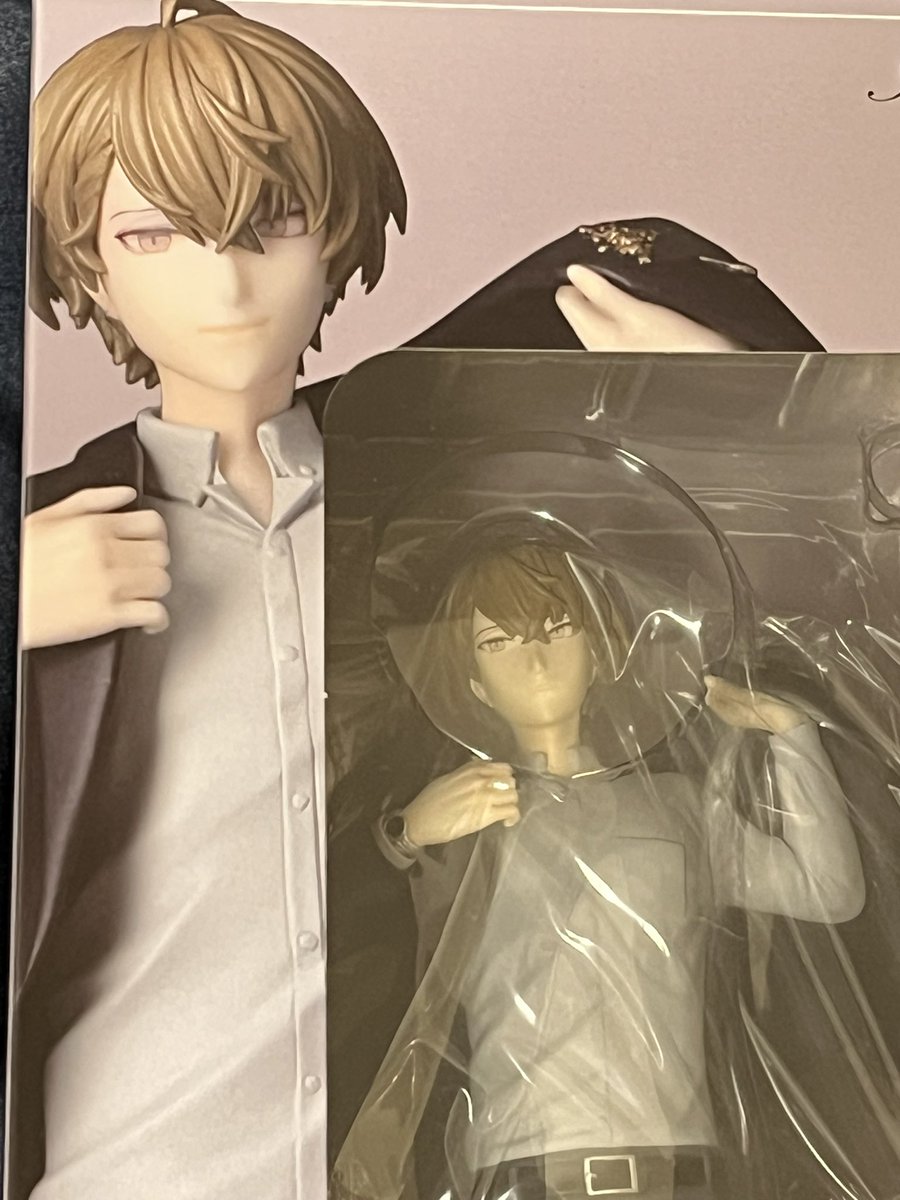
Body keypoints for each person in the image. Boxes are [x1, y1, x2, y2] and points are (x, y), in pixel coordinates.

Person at [12, 2, 827, 1196]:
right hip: (128, 1168)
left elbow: (810, 611)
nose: (223, 281)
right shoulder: (55, 546)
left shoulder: (446, 505)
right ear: (87, 261)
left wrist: (751, 418)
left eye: (273, 221)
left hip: (426, 1158)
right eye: (152, 235)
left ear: (337, 232)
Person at [345, 539, 865, 1200]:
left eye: (559, 628)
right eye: (498, 642)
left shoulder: (676, 806)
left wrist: (790, 734)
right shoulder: (458, 822)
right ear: (474, 684)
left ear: (598, 653)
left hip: (680, 1171)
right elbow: (349, 952)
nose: (535, 660)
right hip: (521, 1172)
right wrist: (403, 834)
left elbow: (830, 891)